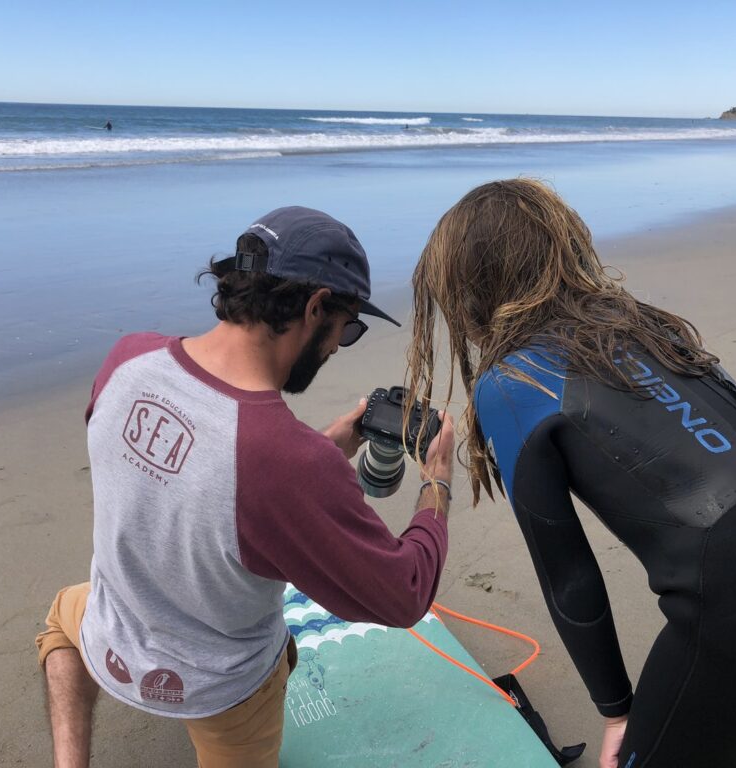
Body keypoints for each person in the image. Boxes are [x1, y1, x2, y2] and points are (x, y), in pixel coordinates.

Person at [404, 179, 736, 768]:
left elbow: (569, 576)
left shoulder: (514, 384)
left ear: (471, 287)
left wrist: (617, 712)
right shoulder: (642, 327)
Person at [36, 206, 455, 768]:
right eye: (347, 327)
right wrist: (437, 484)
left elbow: (196, 474)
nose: (337, 346)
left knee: (62, 622)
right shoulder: (286, 463)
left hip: (112, 632)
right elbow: (404, 594)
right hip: (217, 685)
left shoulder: (127, 358)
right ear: (314, 308)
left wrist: (324, 445)